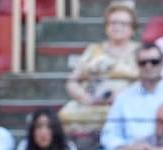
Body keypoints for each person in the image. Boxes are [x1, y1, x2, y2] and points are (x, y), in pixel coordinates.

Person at [58, 2, 139, 135]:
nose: (117, 27)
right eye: (113, 23)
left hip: (125, 106)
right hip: (91, 104)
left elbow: (145, 83)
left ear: (133, 29)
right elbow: (72, 81)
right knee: (63, 117)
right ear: (106, 27)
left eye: (123, 24)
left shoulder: (140, 52)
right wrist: (85, 98)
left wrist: (121, 97)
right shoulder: (93, 49)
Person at [98, 43, 163, 150]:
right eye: (143, 63)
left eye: (154, 62)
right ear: (137, 65)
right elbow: (109, 134)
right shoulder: (124, 98)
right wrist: (128, 148)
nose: (148, 66)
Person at [13, 108, 79, 150]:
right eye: (39, 126)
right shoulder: (25, 145)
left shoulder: (67, 147)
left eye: (49, 127)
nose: (43, 132)